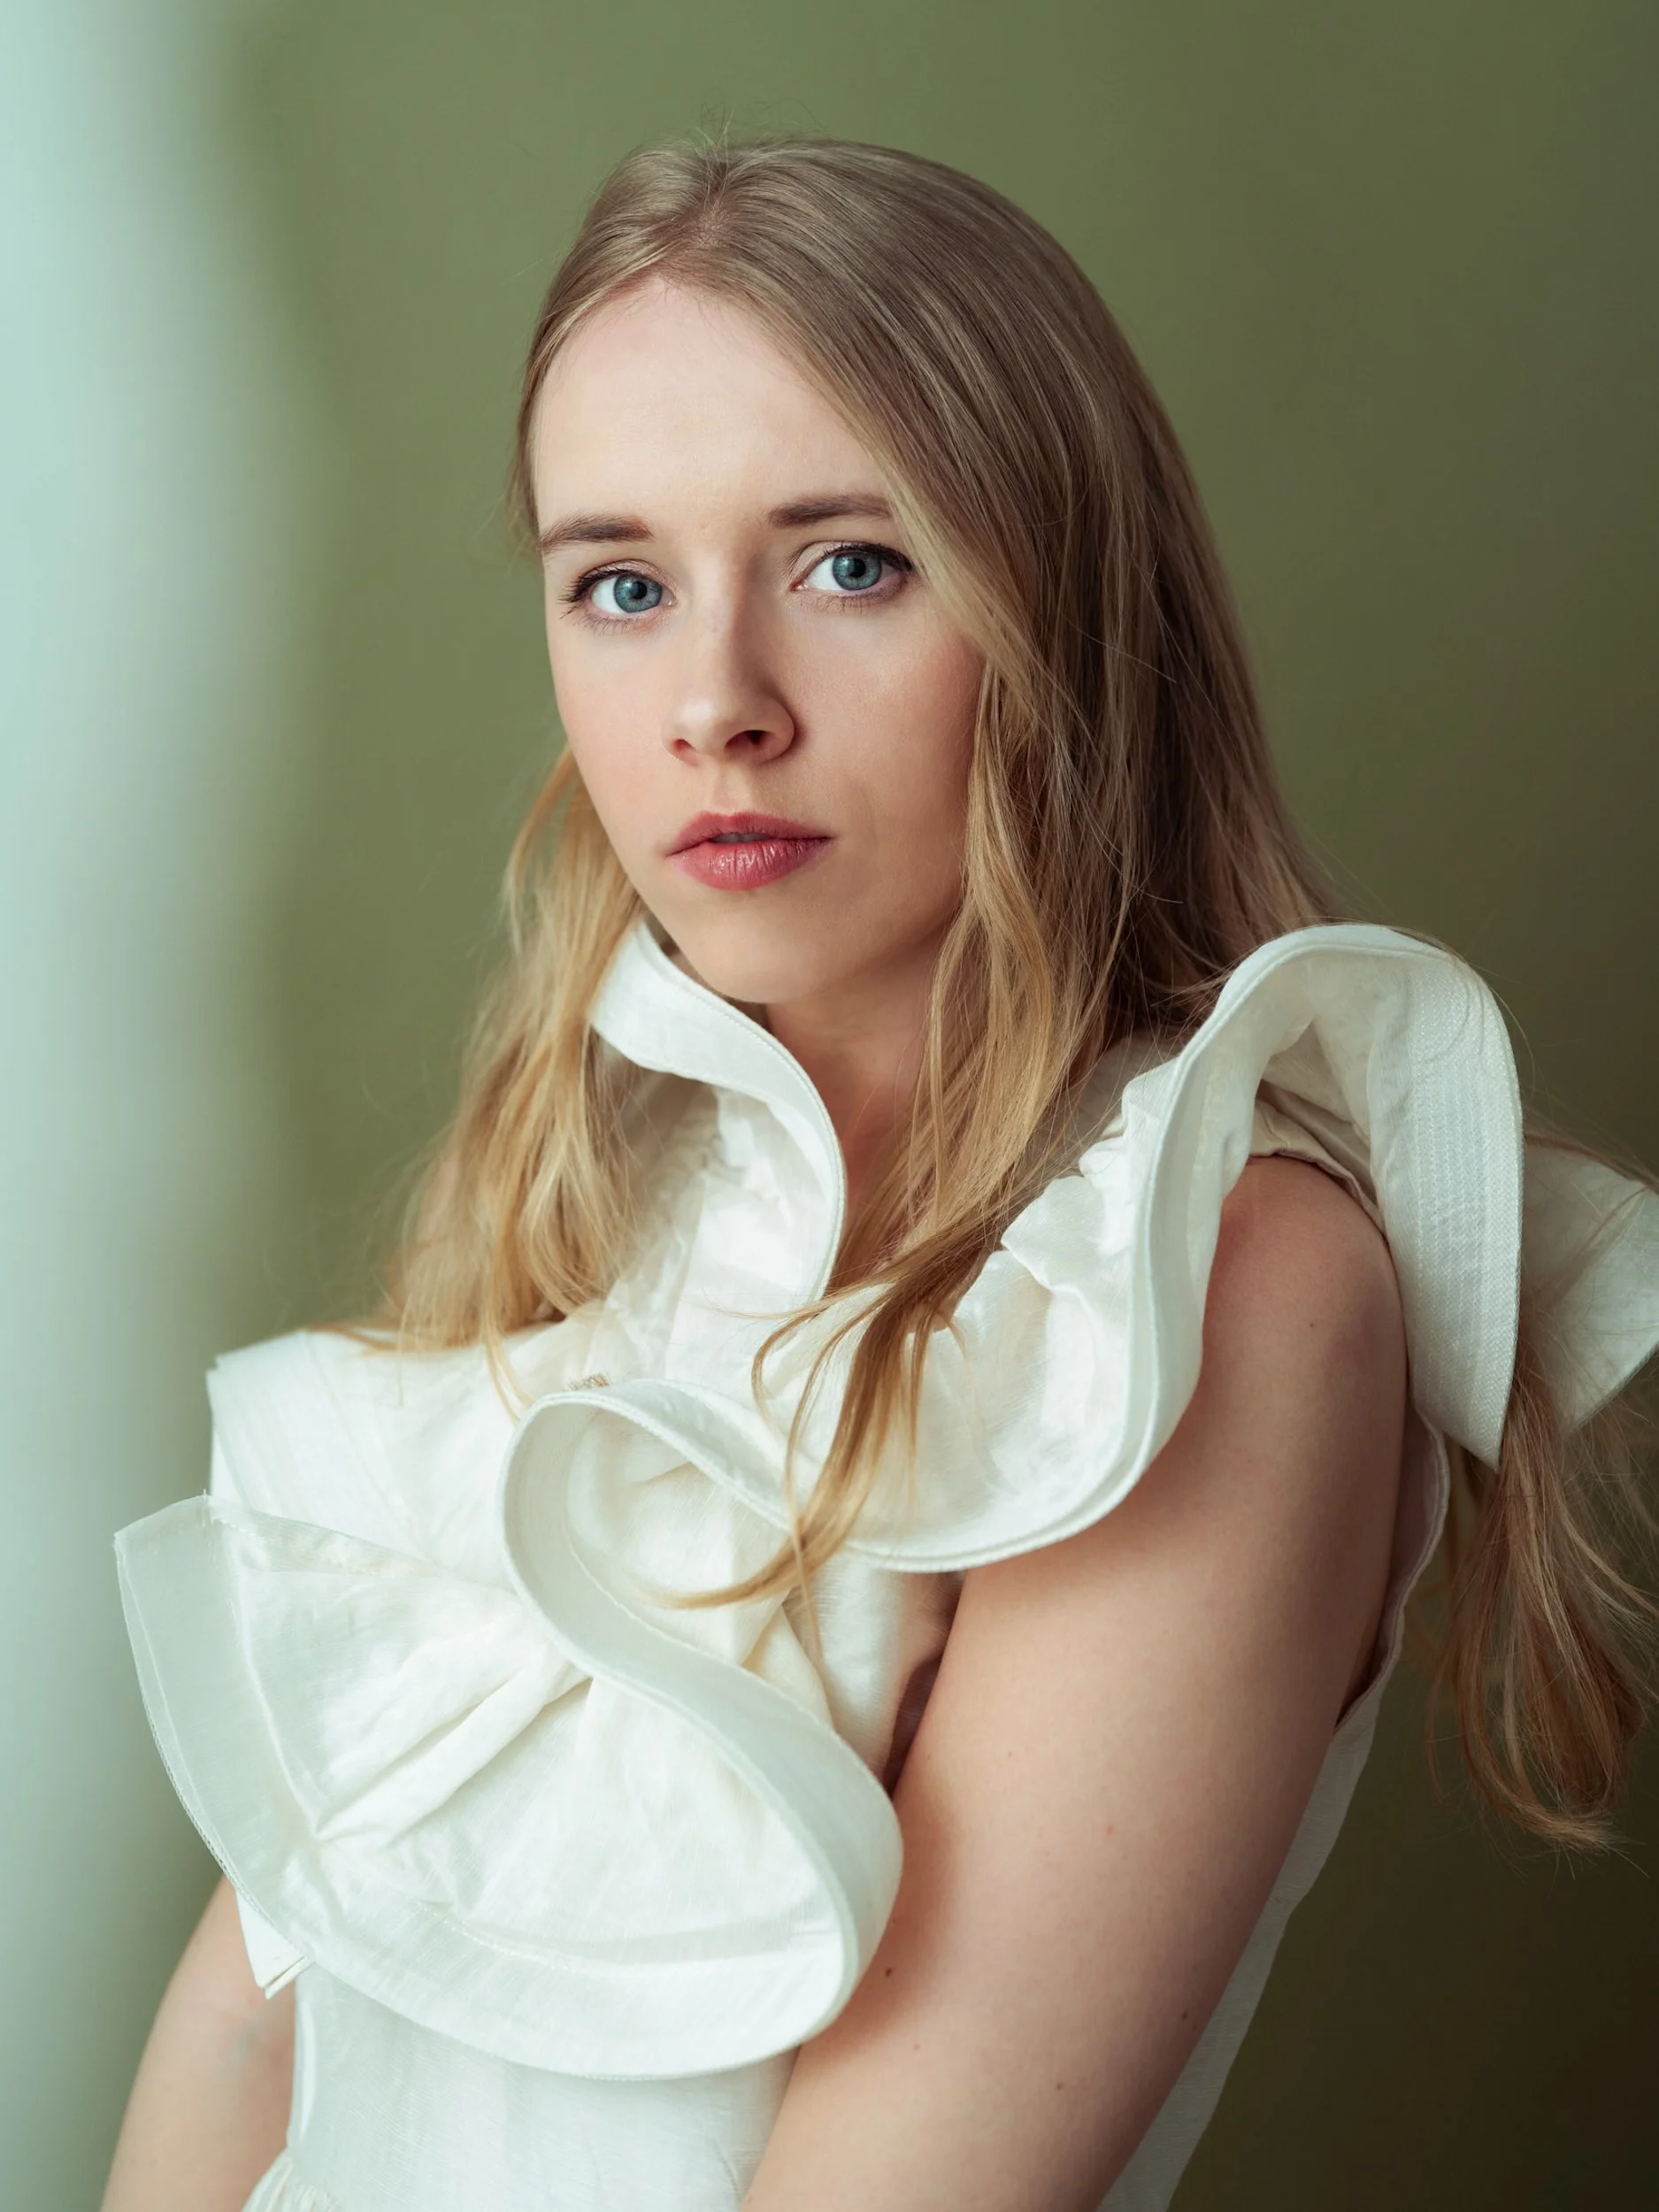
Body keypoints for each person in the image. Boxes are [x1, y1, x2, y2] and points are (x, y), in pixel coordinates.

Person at [103, 137, 1659, 2212]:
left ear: (1062, 606)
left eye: (850, 563)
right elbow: (255, 2014)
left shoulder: (1217, 1279)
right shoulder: (613, 1201)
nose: (714, 706)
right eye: (621, 583)